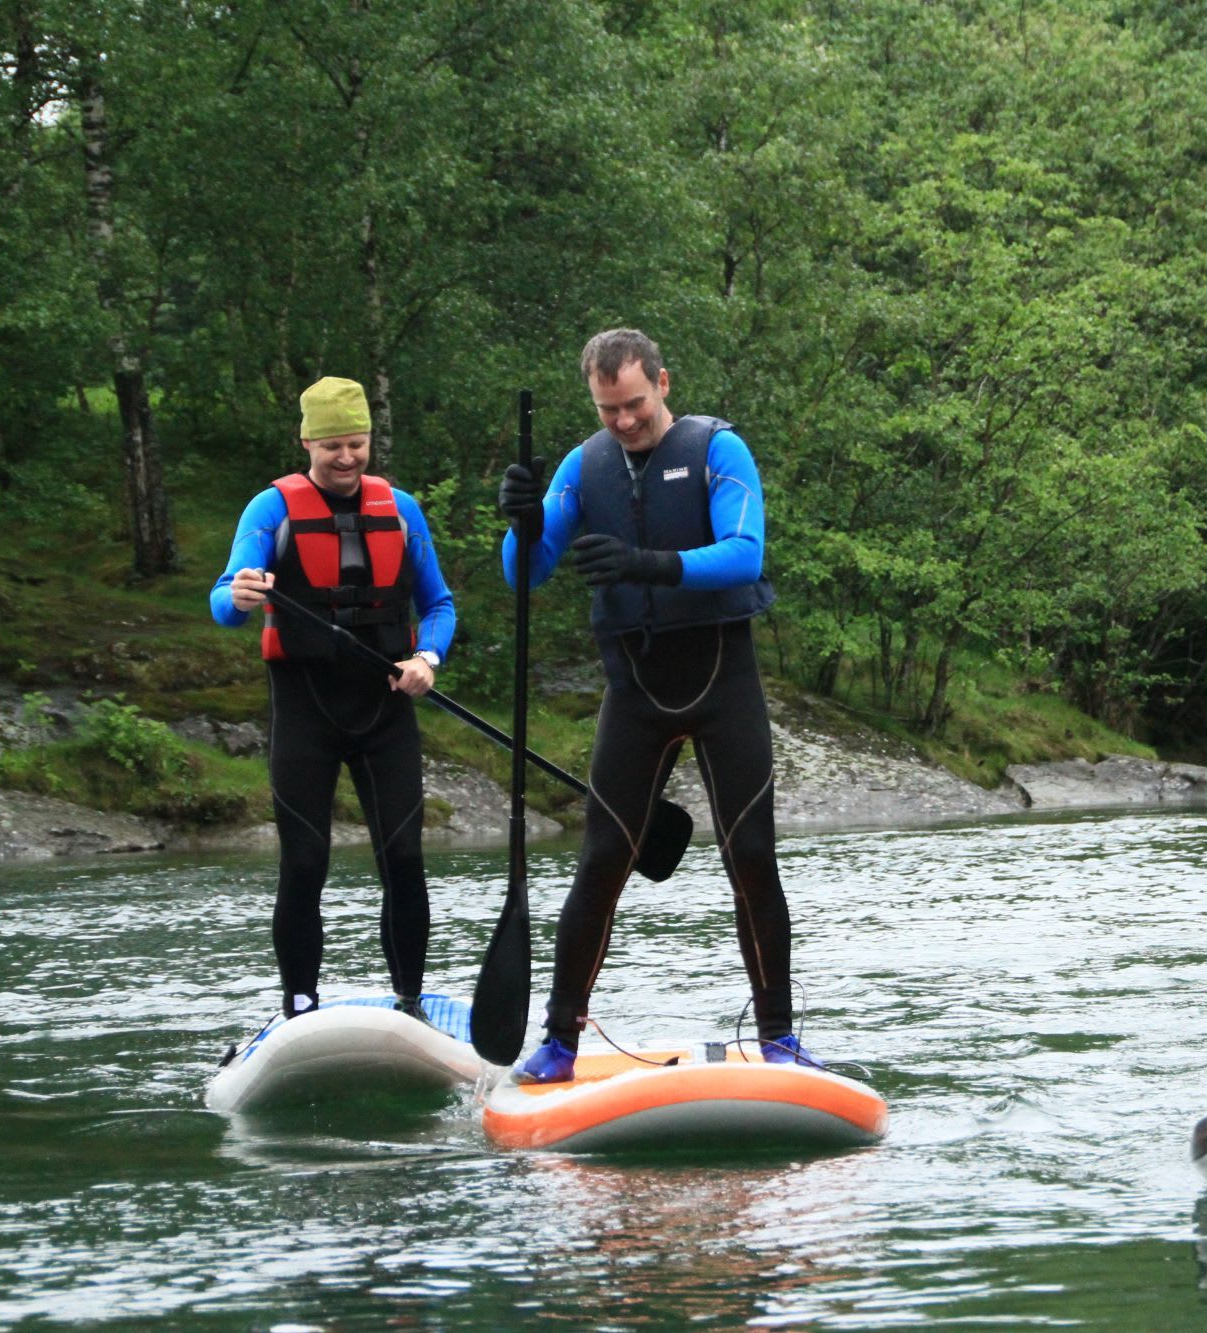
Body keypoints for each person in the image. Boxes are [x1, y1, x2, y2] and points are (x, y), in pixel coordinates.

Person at [496, 328, 815, 1082]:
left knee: (753, 859)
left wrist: (648, 563)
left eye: (635, 404)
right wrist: (522, 520)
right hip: (635, 691)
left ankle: (779, 1038)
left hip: (721, 681)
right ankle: (560, 1041)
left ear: (663, 383)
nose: (624, 422)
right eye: (608, 409)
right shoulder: (583, 466)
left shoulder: (717, 451)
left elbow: (746, 551)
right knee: (602, 859)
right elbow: (524, 574)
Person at [209, 376, 457, 1022]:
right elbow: (225, 596)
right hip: (306, 709)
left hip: (385, 706)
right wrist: (238, 595)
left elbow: (439, 605)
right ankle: (300, 1002)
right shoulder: (272, 510)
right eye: (332, 447)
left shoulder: (401, 509)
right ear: (306, 443)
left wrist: (426, 657)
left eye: (357, 443)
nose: (347, 459)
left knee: (403, 856)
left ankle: (410, 998)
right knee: (306, 860)